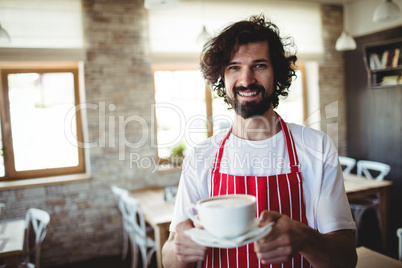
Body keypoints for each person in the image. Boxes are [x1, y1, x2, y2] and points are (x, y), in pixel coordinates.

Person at [162, 14, 357, 268]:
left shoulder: (316, 147)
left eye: (259, 65)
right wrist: (181, 250)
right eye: (234, 67)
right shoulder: (201, 156)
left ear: (277, 73)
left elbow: (345, 259)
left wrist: (306, 239)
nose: (246, 80)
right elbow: (168, 257)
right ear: (222, 76)